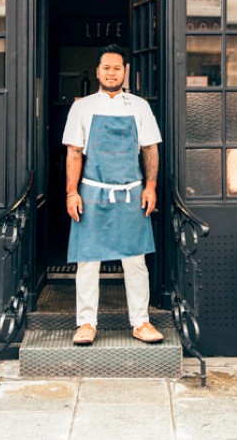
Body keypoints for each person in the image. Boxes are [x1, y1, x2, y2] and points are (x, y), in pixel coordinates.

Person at [62, 44, 163, 345]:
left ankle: (141, 322)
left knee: (135, 261)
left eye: (117, 68)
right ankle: (86, 323)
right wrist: (71, 193)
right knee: (87, 260)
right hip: (92, 192)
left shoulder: (139, 107)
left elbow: (150, 149)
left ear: (124, 72)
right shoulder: (82, 107)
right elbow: (74, 152)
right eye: (106, 68)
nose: (111, 73)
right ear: (97, 72)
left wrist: (151, 186)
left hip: (131, 193)